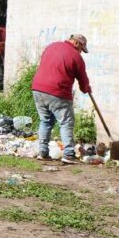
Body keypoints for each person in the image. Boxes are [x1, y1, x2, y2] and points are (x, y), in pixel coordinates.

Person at [32, 34, 91, 164]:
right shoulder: (76, 56)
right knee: (66, 122)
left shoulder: (51, 46)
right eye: (81, 48)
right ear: (76, 43)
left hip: (37, 88)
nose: (81, 51)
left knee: (45, 121)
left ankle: (43, 152)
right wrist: (87, 88)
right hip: (57, 91)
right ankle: (69, 154)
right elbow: (83, 82)